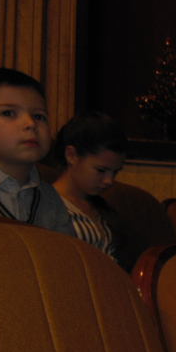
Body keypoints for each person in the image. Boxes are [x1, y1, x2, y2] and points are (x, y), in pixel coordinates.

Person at [0, 68, 73, 235]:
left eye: (38, 116)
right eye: (8, 113)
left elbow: (64, 250)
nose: (30, 123)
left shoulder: (51, 199)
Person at [53, 111, 134, 271]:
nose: (109, 180)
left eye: (115, 172)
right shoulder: (48, 206)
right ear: (71, 155)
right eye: (101, 170)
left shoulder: (101, 207)